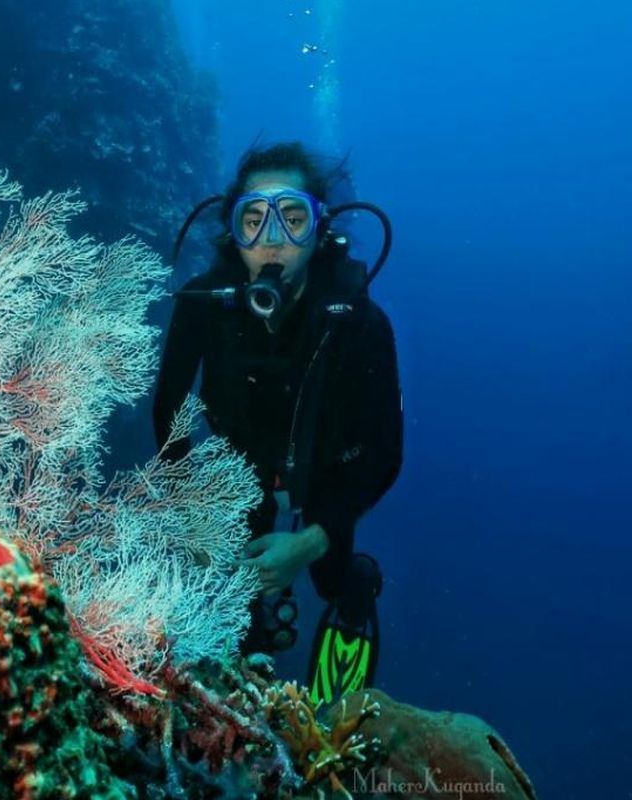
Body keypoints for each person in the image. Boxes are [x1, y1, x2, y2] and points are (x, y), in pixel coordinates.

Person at [153, 142, 403, 704]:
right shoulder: (201, 304)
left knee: (335, 576)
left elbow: (386, 454)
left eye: (293, 219)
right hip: (240, 470)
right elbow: (168, 413)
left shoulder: (362, 323)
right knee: (237, 616)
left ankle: (354, 593)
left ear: (319, 229)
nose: (272, 238)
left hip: (328, 475)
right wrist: (194, 516)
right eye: (253, 219)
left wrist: (314, 540)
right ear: (233, 234)